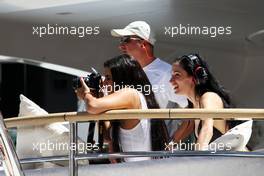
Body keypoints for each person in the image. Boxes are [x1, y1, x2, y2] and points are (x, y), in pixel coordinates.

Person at [76, 54, 168, 162]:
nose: (104, 83)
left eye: (108, 78)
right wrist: (99, 97)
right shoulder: (131, 98)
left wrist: (86, 94)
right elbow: (108, 138)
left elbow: (92, 106)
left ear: (122, 78)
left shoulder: (130, 93)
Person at [111, 21, 188, 140]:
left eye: (125, 40)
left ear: (143, 43)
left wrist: (172, 142)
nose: (120, 46)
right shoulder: (125, 72)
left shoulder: (167, 74)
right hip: (124, 149)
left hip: (152, 151)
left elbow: (193, 110)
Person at [170, 53, 244, 150]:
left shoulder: (208, 97)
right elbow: (183, 131)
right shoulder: (193, 106)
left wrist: (197, 159)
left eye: (177, 75)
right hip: (223, 161)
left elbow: (207, 130)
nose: (171, 81)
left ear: (195, 77)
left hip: (236, 161)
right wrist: (168, 147)